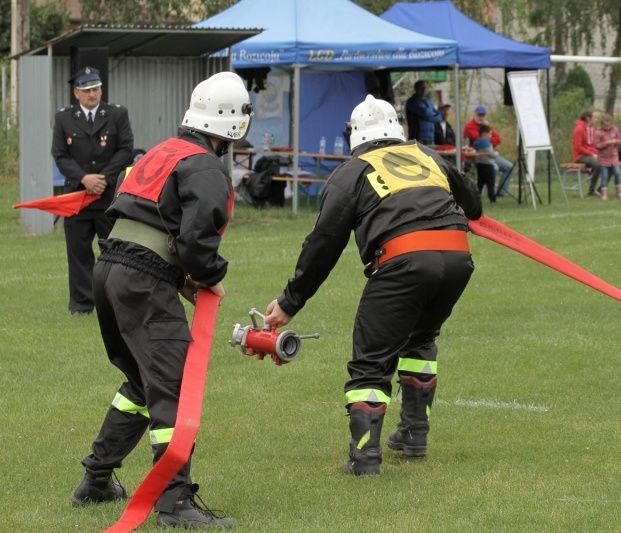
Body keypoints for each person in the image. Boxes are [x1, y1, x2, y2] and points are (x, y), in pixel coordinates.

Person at [69, 71, 253, 528]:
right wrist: (209, 275)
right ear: (234, 124)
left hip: (109, 267)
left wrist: (181, 276)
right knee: (171, 383)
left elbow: (141, 215)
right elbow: (195, 239)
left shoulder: (161, 150)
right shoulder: (206, 165)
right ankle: (173, 501)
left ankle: (95, 480)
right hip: (141, 277)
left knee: (139, 381)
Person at [263, 95, 483, 476]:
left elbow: (323, 243)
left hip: (405, 260)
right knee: (420, 339)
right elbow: (474, 205)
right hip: (458, 258)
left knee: (370, 362)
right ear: (397, 129)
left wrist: (290, 300)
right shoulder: (426, 155)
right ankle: (414, 435)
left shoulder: (352, 172)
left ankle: (364, 458)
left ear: (355, 135)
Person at [51, 66, 134, 315]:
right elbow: (60, 155)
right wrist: (84, 178)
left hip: (108, 197)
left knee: (113, 251)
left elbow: (126, 149)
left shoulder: (117, 114)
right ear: (76, 93)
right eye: (87, 90)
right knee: (78, 252)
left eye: (96, 89)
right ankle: (82, 304)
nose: (93, 94)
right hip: (77, 197)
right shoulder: (64, 118)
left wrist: (104, 178)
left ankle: (115, 301)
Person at [462, 105, 514, 196]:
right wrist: (488, 137)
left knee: (509, 167)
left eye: (483, 115)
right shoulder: (469, 126)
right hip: (479, 156)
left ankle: (501, 192)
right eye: (479, 115)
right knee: (493, 168)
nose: (481, 117)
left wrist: (488, 130)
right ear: (475, 115)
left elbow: (497, 139)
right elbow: (479, 140)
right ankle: (491, 193)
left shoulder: (487, 126)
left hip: (490, 154)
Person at [571, 108, 602, 197]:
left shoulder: (592, 129)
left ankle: (602, 188)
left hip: (589, 154)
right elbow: (578, 147)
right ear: (588, 119)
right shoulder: (579, 129)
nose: (596, 120)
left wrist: (596, 152)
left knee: (609, 163)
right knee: (598, 165)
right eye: (595, 118)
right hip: (580, 156)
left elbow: (593, 145)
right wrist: (592, 154)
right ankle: (591, 190)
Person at [593, 113, 621, 200]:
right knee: (605, 176)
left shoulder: (615, 130)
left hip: (614, 156)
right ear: (602, 124)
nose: (607, 128)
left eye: (609, 126)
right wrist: (605, 144)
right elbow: (596, 145)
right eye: (605, 126)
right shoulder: (598, 132)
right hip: (603, 158)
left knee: (617, 173)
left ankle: (619, 192)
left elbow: (620, 140)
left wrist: (615, 141)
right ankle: (604, 193)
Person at [405, 80, 442, 145]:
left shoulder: (428, 101)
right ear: (416, 89)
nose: (423, 90)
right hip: (417, 138)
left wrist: (428, 117)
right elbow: (425, 113)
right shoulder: (412, 102)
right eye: (421, 88)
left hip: (430, 137)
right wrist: (432, 115)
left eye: (425, 88)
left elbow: (439, 117)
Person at [473, 124, 498, 203]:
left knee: (480, 182)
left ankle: (476, 198)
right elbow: (491, 154)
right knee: (491, 183)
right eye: (490, 134)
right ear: (485, 134)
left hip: (479, 164)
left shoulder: (476, 142)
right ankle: (492, 198)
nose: (491, 136)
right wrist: (496, 153)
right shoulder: (486, 143)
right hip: (488, 165)